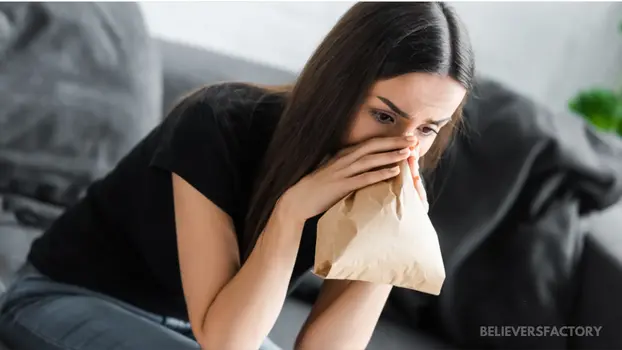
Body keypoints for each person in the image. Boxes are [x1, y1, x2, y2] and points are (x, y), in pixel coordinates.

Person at [0, 2, 474, 349]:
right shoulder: (216, 122)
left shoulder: (395, 170)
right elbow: (226, 342)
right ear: (340, 88)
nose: (403, 145)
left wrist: (393, 245)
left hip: (200, 327)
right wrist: (291, 213)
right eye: (385, 116)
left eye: (428, 128)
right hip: (64, 297)